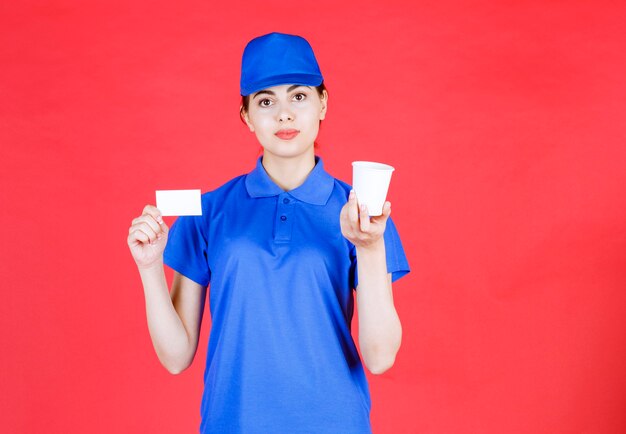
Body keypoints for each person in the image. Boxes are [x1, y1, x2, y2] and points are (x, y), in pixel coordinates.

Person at [127, 32, 410, 434]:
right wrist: (149, 267)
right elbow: (176, 357)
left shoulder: (364, 214)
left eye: (299, 97)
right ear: (246, 116)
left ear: (322, 104)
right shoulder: (208, 212)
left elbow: (381, 358)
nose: (284, 115)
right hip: (233, 423)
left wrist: (369, 245)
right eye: (265, 101)